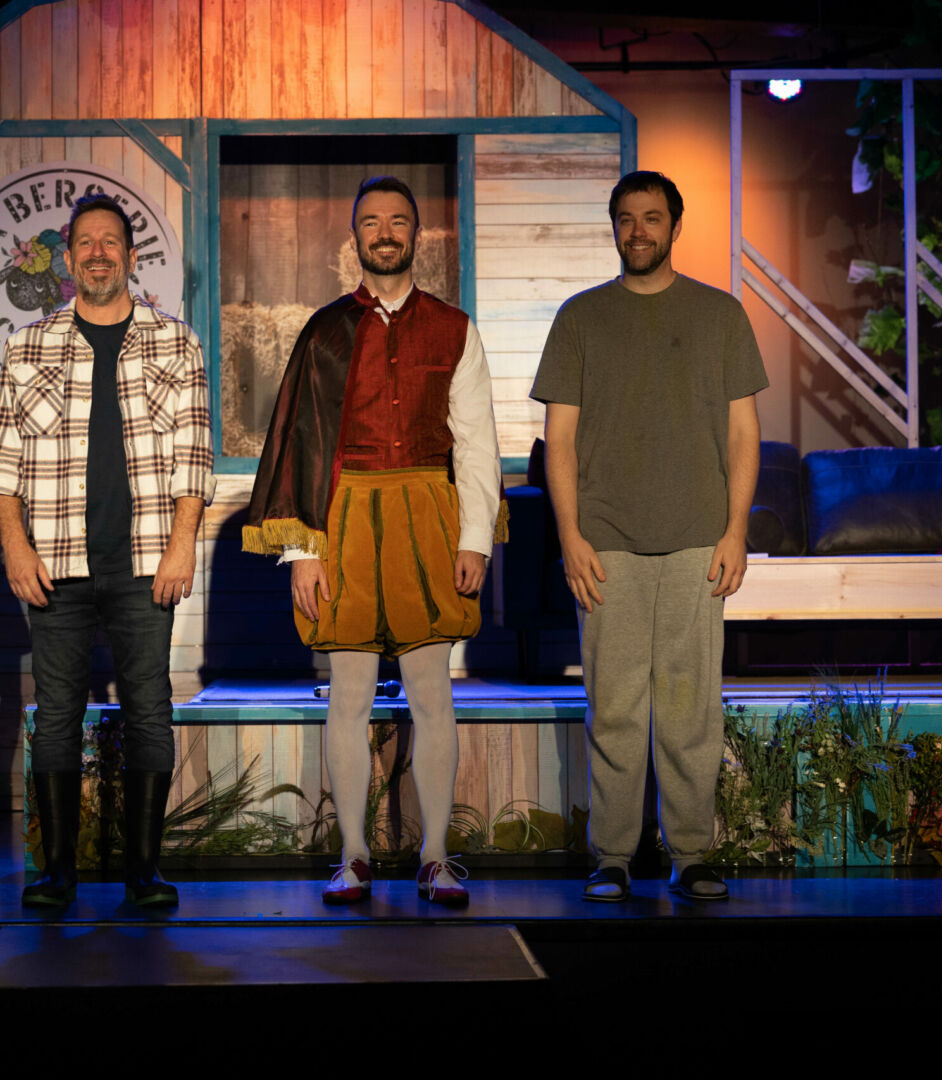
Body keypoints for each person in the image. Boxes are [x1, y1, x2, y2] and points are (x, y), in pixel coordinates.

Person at [244, 176, 505, 907]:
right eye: (370, 222)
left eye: (397, 221)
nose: (384, 232)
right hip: (346, 518)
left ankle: (436, 855)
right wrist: (303, 551)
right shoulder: (325, 331)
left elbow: (477, 444)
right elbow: (300, 440)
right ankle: (354, 854)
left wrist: (476, 538)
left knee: (432, 694)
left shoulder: (454, 328)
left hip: (428, 513)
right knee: (348, 696)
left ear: (416, 235)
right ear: (354, 238)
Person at [531, 170, 767, 902]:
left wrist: (736, 531)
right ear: (613, 227)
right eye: (627, 218)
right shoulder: (580, 318)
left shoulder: (720, 314)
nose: (639, 230)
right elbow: (559, 440)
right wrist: (569, 536)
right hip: (607, 544)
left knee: (693, 705)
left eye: (652, 218)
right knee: (616, 704)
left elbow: (743, 432)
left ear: (674, 225)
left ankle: (693, 854)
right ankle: (612, 856)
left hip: (699, 538)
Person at [0, 193, 214, 909]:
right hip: (55, 562)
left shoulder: (176, 341)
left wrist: (182, 546)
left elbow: (194, 456)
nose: (98, 253)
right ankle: (60, 872)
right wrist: (15, 546)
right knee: (56, 715)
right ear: (68, 258)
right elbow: (4, 464)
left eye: (110, 241)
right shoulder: (30, 344)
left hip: (147, 561)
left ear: (131, 256)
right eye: (84, 243)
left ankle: (144, 872)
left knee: (149, 710)